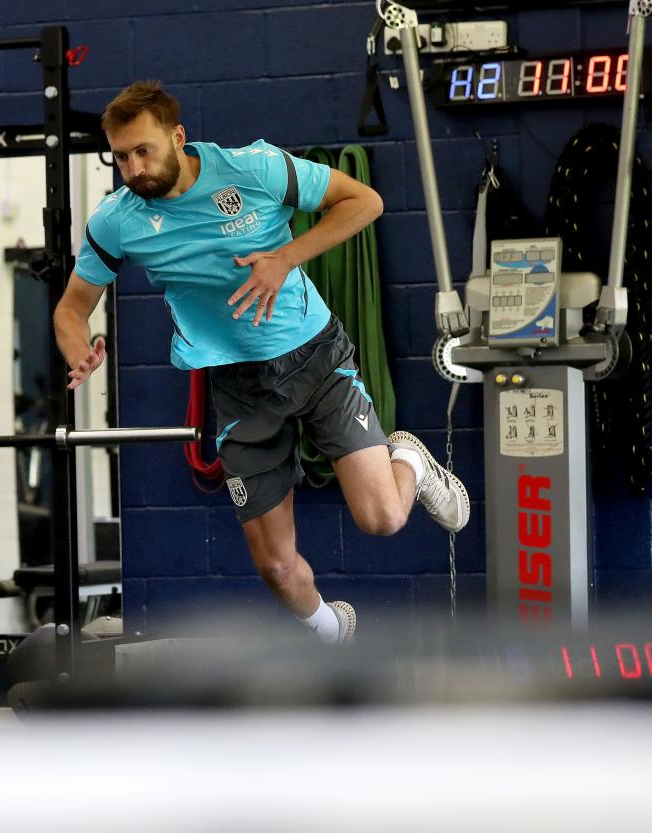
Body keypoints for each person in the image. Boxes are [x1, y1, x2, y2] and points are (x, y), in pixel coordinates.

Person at [55, 81, 469, 645]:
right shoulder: (117, 220)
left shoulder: (254, 169)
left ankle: (411, 461)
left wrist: (285, 258)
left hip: (315, 357)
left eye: (143, 151)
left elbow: (364, 202)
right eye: (120, 157)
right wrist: (78, 350)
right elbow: (72, 308)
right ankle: (332, 632)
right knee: (274, 566)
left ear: (177, 137)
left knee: (383, 519)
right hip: (239, 386)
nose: (133, 169)